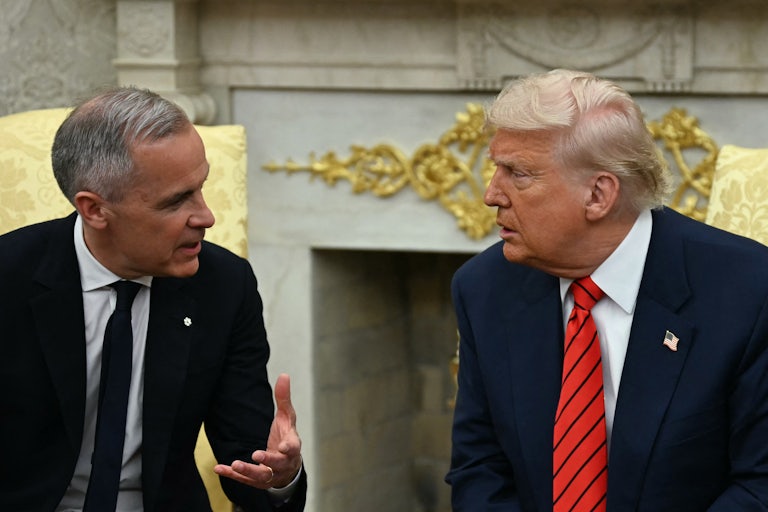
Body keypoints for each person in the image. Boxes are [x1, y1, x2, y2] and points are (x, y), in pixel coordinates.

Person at [445, 69, 768, 511]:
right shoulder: (484, 289)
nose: (490, 194)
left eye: (517, 174)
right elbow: (479, 469)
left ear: (598, 195)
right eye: (495, 168)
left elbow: (759, 485)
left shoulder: (748, 291)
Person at [0, 87, 306, 511]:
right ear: (94, 210)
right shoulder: (9, 277)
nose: (206, 216)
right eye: (177, 200)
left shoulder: (224, 285)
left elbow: (249, 462)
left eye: (200, 188)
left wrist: (281, 477)